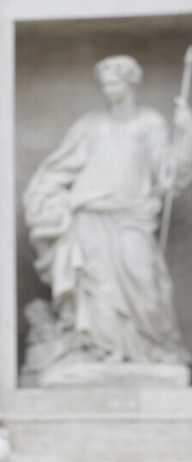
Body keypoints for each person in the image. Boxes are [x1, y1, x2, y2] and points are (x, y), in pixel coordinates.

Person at [23, 54, 192, 369]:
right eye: (104, 84)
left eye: (114, 83)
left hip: (133, 218)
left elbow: (171, 178)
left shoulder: (149, 124)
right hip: (89, 216)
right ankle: (100, 350)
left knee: (144, 280)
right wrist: (49, 200)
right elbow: (57, 171)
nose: (108, 89)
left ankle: (152, 349)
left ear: (131, 84)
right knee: (96, 287)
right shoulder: (90, 126)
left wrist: (186, 134)